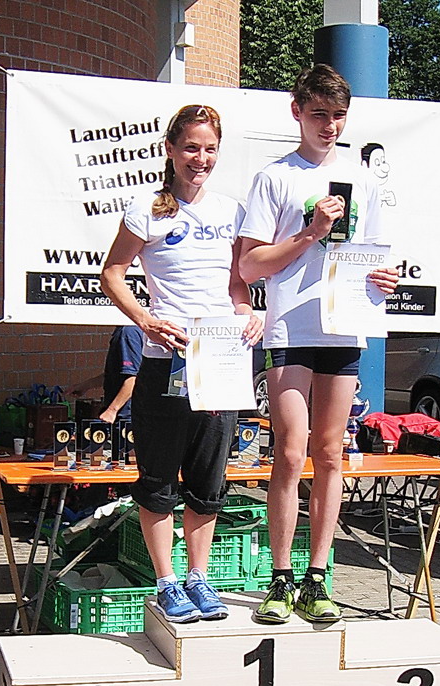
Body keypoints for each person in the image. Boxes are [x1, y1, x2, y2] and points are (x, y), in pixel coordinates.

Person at [239, 64, 399, 624]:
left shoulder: (363, 180)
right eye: (318, 114)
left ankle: (317, 576)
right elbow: (250, 265)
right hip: (290, 328)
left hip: (343, 327)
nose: (328, 125)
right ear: (297, 113)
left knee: (330, 453)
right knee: (289, 452)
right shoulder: (274, 177)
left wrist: (384, 279)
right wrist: (310, 232)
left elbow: (373, 257)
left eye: (338, 116)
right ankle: (280, 578)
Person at [101, 104, 262, 624]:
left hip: (220, 362)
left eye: (210, 149)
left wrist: (248, 313)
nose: (201, 158)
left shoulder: (232, 211)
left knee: (208, 481)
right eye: (191, 147)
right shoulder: (147, 208)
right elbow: (112, 273)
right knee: (158, 481)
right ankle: (167, 581)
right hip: (165, 362)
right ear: (170, 150)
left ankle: (199, 578)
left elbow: (237, 283)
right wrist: (146, 321)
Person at [69, 325, 144, 423]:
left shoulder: (128, 333)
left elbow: (132, 379)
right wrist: (85, 385)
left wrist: (112, 410)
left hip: (127, 416)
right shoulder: (128, 331)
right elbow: (117, 375)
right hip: (128, 414)